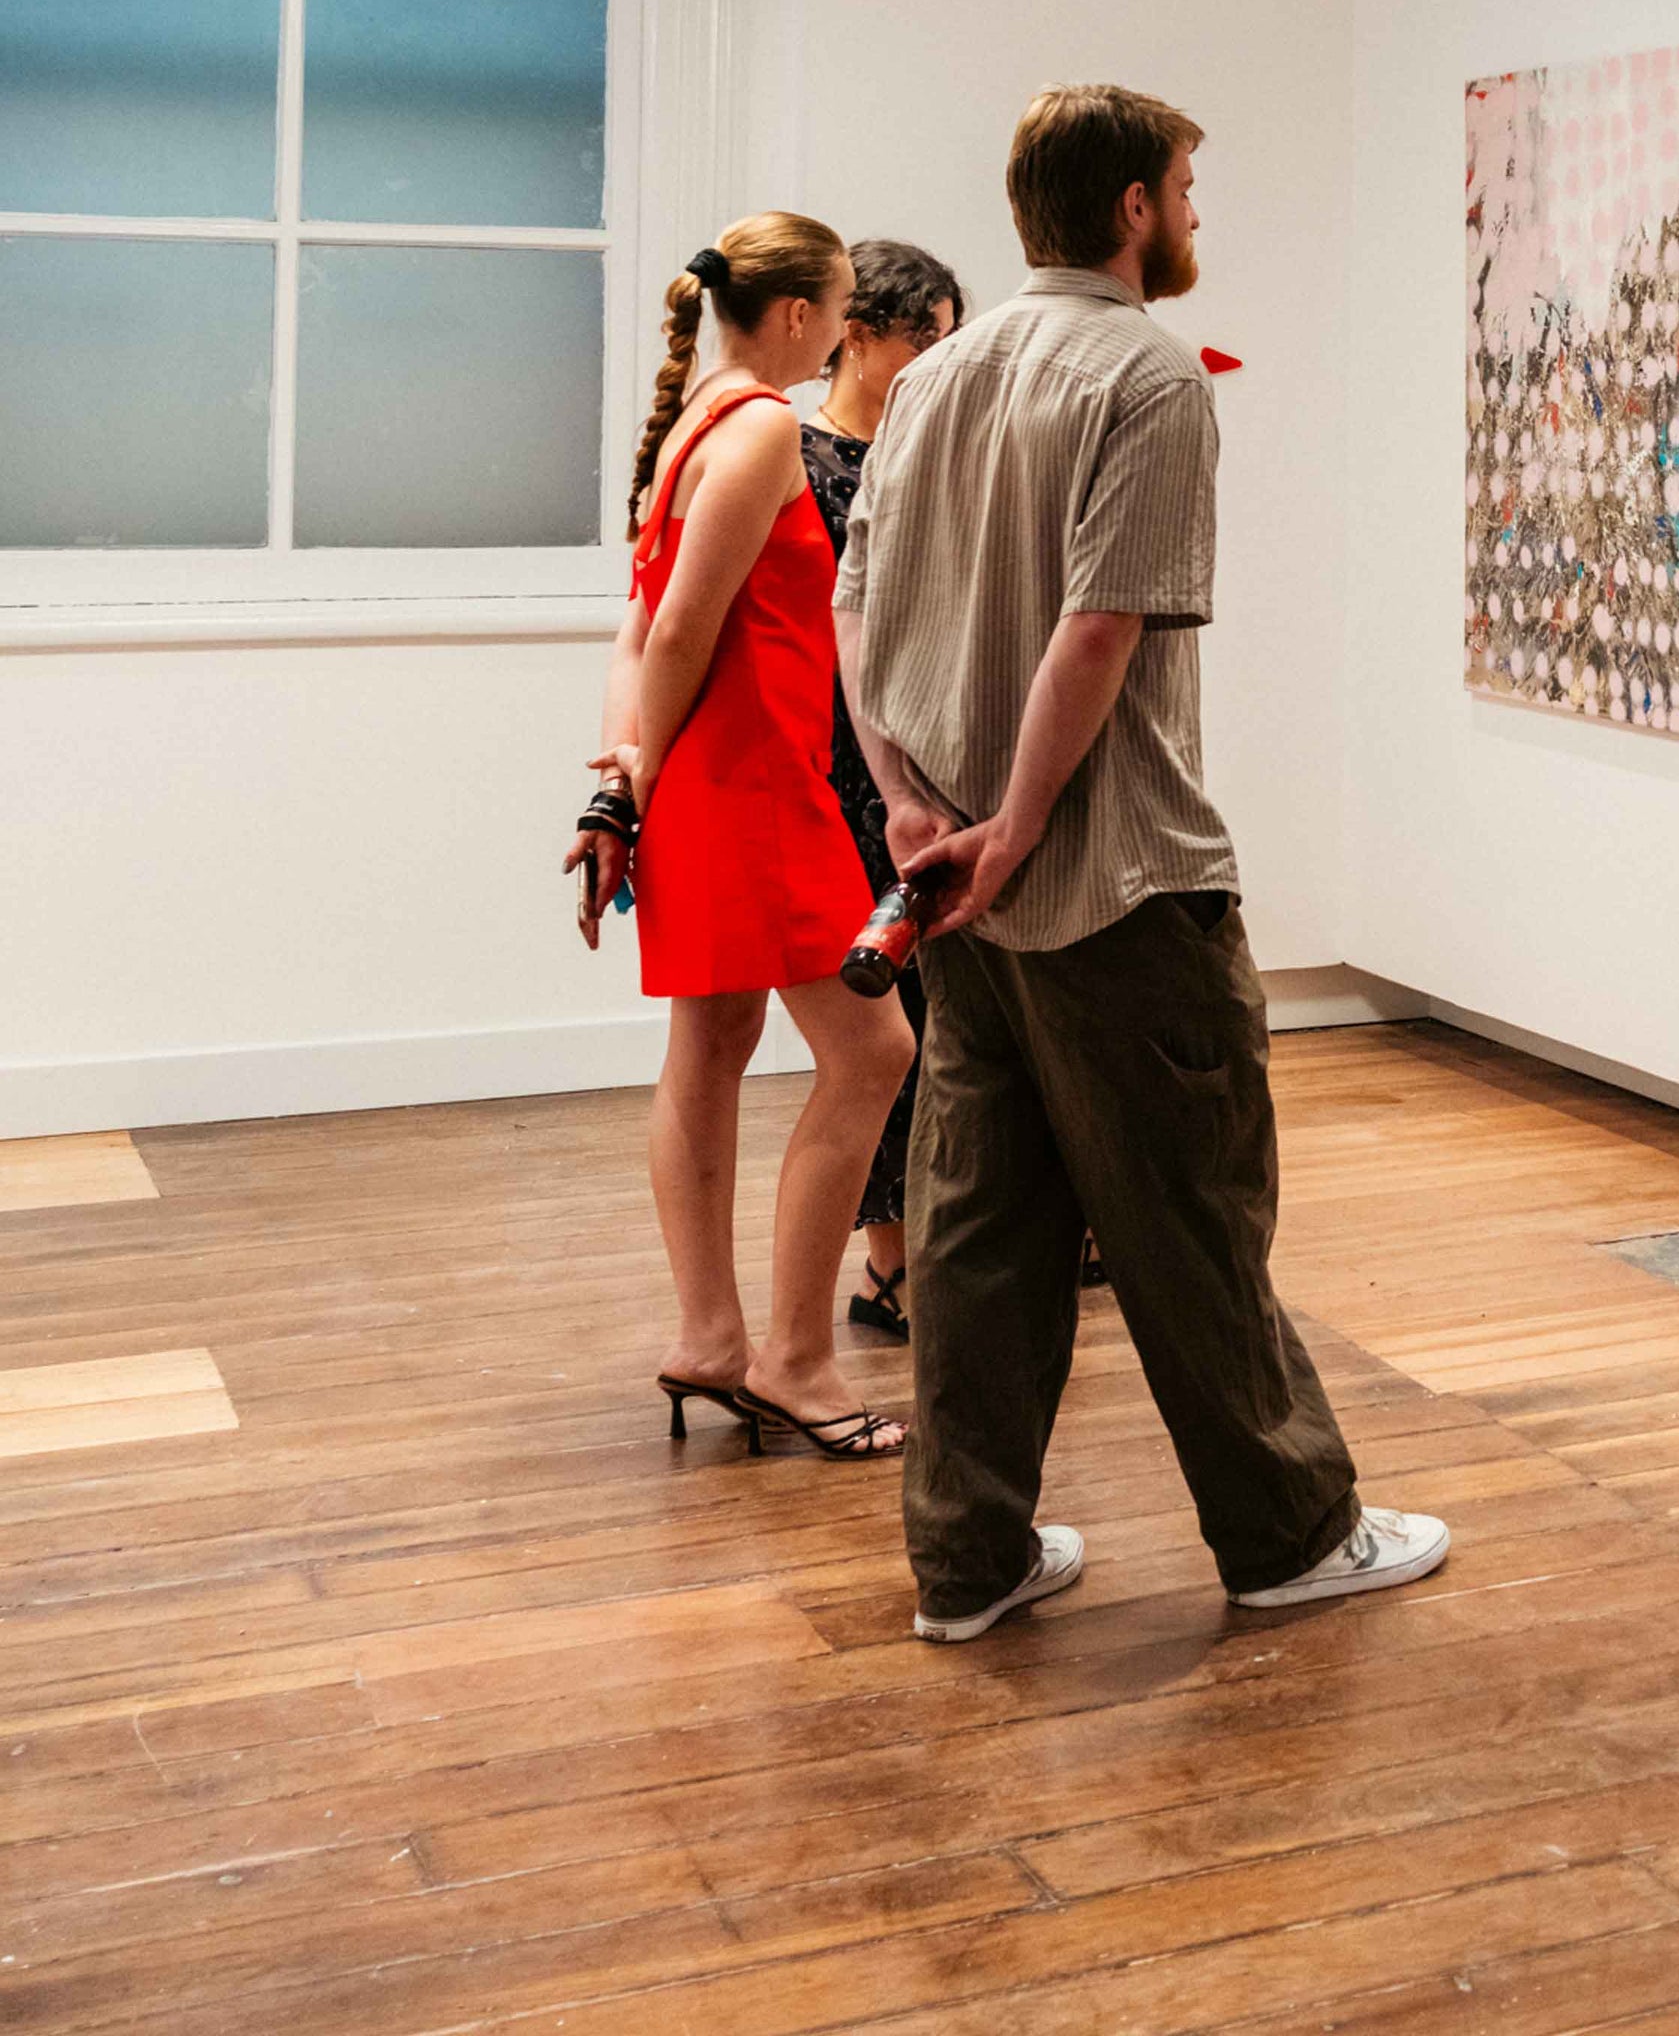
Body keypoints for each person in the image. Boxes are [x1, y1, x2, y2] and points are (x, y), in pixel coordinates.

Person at [834, 86, 1449, 1641]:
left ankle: (967, 1564)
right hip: (1116, 883)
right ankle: (1292, 1532)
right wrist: (1025, 824)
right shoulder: (1149, 377)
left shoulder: (936, 376)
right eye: (1185, 186)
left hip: (954, 886)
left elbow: (859, 617)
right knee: (1191, 1214)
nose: (1193, 214)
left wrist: (916, 810)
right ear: (1128, 208)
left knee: (982, 1230)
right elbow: (1098, 628)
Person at [566, 214, 917, 1460]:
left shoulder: (692, 426)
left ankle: (714, 1342)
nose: (840, 333)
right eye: (838, 310)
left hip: (710, 786)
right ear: (796, 319)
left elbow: (637, 634)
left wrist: (622, 784)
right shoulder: (767, 422)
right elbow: (676, 637)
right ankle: (799, 1364)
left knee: (711, 1045)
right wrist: (634, 783)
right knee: (874, 1051)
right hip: (756, 787)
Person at [799, 237, 966, 1341]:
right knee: (888, 1020)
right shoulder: (798, 455)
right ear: (857, 335)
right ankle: (889, 1266)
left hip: (922, 751)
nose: (940, 364)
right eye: (926, 341)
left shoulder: (919, 451)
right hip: (838, 765)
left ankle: (928, 1252)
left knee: (948, 1018)